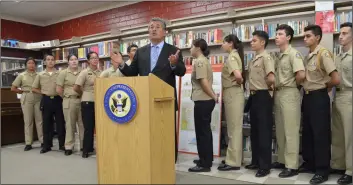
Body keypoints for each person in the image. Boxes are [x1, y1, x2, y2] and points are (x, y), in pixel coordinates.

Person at [110, 17, 186, 163]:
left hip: (165, 100)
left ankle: (168, 163)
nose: (153, 29)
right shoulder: (141, 51)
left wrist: (174, 64)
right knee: (148, 132)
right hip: (144, 99)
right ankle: (148, 160)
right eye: (150, 27)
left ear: (165, 32)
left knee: (166, 133)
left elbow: (181, 72)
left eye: (157, 27)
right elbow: (132, 73)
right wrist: (121, 64)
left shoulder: (174, 50)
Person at [300, 25, 340, 184]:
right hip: (308, 97)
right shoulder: (309, 55)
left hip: (318, 97)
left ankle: (322, 170)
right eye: (304, 36)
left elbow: (336, 79)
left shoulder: (323, 54)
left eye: (308, 36)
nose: (305, 39)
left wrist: (325, 87)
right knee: (308, 132)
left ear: (317, 37)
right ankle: (310, 164)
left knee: (320, 134)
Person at [272, 24, 305, 178]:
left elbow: (300, 75)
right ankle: (282, 160)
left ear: (288, 37)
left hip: (290, 92)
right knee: (280, 130)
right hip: (278, 94)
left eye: (279, 34)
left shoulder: (294, 54)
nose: (276, 37)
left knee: (291, 130)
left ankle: (292, 165)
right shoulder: (279, 56)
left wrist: (294, 88)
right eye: (276, 34)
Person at [245, 30, 275, 177]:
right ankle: (256, 160)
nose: (251, 42)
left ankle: (265, 166)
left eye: (254, 40)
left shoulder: (266, 58)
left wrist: (267, 91)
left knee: (264, 132)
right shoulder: (253, 59)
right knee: (255, 131)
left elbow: (271, 77)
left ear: (262, 42)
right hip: (254, 96)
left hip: (263, 96)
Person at [187, 38, 217, 172]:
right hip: (205, 100)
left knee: (202, 132)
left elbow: (204, 83)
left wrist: (213, 96)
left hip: (203, 100)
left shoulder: (199, 62)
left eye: (191, 47)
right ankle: (206, 158)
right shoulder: (203, 60)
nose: (190, 49)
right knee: (204, 131)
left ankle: (204, 164)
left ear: (198, 47)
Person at [217, 34, 245, 171]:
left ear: (230, 44)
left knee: (234, 128)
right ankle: (235, 157)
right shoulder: (235, 55)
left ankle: (233, 162)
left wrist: (238, 82)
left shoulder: (232, 57)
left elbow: (238, 76)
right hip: (233, 93)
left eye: (224, 42)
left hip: (233, 92)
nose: (222, 45)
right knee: (234, 127)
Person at [331, 22, 352, 185]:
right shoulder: (337, 56)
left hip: (350, 96)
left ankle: (350, 170)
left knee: (350, 136)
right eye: (340, 33)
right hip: (337, 96)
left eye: (345, 33)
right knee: (338, 134)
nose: (341, 36)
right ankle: (339, 165)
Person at [32, 54, 66, 154]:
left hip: (58, 99)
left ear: (54, 62)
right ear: (45, 62)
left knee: (60, 123)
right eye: (48, 60)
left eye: (52, 60)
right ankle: (47, 145)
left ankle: (62, 145)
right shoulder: (40, 74)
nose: (50, 61)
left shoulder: (60, 74)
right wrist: (43, 92)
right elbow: (34, 88)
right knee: (46, 124)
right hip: (46, 100)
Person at [11, 57, 43, 151]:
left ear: (35, 65)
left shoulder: (39, 75)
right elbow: (13, 88)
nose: (31, 65)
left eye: (33, 63)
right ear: (26, 65)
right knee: (28, 121)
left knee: (40, 120)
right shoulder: (22, 75)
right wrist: (21, 92)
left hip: (38, 98)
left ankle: (43, 141)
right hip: (27, 97)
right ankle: (28, 143)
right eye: (29, 63)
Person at [74, 51, 102, 158]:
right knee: (88, 127)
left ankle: (92, 147)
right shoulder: (84, 72)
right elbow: (76, 87)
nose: (95, 60)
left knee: (97, 127)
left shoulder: (101, 72)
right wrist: (84, 94)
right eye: (92, 58)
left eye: (96, 58)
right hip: (87, 102)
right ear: (88, 61)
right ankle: (85, 150)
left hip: (98, 102)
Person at [56, 54, 84, 156]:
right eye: (71, 60)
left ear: (78, 61)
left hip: (82, 100)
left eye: (75, 59)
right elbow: (58, 90)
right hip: (69, 100)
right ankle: (69, 146)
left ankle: (83, 146)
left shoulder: (83, 72)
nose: (74, 61)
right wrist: (67, 96)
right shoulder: (63, 73)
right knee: (70, 124)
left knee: (82, 124)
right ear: (68, 62)